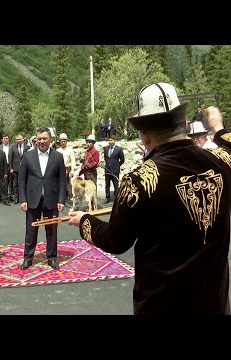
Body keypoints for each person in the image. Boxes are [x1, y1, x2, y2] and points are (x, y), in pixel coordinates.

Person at [67, 82, 231, 314]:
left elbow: (115, 240)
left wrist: (85, 220)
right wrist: (218, 127)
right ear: (185, 124)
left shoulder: (139, 181)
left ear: (144, 135)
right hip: (213, 304)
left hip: (162, 305)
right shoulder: (222, 162)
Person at [18, 127, 66, 270]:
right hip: (33, 199)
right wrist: (23, 199)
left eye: (45, 138)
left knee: (52, 231)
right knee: (31, 231)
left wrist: (61, 200)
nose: (42, 141)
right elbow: (21, 179)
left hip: (51, 199)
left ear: (50, 139)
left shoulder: (57, 157)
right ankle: (28, 258)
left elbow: (62, 180)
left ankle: (52, 258)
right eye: (39, 139)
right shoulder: (28, 156)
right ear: (36, 140)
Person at [102, 135, 125, 204]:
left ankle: (116, 198)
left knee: (115, 184)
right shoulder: (106, 149)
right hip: (107, 169)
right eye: (109, 140)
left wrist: (117, 165)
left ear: (115, 141)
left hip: (115, 170)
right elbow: (105, 158)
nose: (110, 141)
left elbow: (122, 160)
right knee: (107, 184)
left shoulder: (119, 149)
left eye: (111, 140)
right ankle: (107, 197)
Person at [56, 132, 76, 205]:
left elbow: (73, 161)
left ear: (66, 141)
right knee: (60, 184)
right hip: (59, 170)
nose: (63, 142)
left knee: (67, 185)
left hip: (67, 169)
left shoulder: (70, 150)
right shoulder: (58, 151)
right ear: (60, 142)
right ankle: (60, 199)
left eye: (64, 141)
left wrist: (72, 170)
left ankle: (66, 199)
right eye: (62, 141)